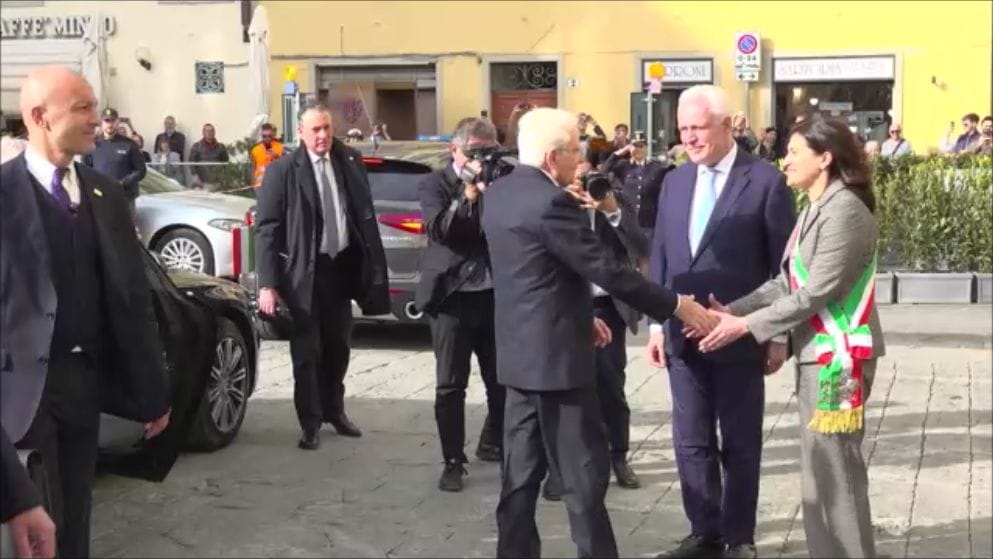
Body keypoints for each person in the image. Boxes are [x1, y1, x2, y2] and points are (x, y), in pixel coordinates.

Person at [481, 107, 717, 559]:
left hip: (518, 357)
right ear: (552, 157)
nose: (581, 159)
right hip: (559, 366)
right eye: (575, 150)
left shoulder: (500, 194)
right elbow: (607, 270)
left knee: (519, 478)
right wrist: (676, 305)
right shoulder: (551, 203)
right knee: (583, 480)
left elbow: (531, 272)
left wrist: (578, 315)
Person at [695, 115, 885, 559]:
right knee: (819, 470)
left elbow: (816, 291)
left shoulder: (845, 211)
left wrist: (745, 327)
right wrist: (733, 310)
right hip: (818, 356)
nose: (786, 160)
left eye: (796, 152)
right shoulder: (816, 208)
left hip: (840, 357)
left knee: (837, 471)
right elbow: (786, 282)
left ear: (825, 158)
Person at [1, 65, 172, 559]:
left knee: (75, 521)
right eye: (82, 108)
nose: (97, 119)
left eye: (95, 107)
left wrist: (152, 390)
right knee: (31, 531)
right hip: (19, 395)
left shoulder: (106, 194)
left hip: (84, 387)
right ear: (40, 117)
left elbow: (131, 298)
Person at [645, 85, 796, 559]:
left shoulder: (765, 181)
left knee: (740, 441)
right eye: (683, 129)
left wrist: (777, 335)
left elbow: (785, 268)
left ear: (727, 125)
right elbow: (661, 254)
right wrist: (656, 326)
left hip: (739, 335)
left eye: (698, 128)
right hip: (680, 335)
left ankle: (739, 537)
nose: (689, 138)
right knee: (691, 440)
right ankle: (704, 532)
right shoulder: (675, 181)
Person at [254, 102, 390, 450]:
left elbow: (361, 212)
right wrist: (267, 284)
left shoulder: (348, 161)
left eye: (327, 128)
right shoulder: (283, 171)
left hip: (339, 268)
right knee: (307, 352)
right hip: (302, 274)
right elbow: (267, 229)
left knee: (338, 346)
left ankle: (335, 410)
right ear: (300, 133)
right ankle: (310, 422)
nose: (323, 135)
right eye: (315, 129)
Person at [541, 158, 651, 502]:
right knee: (561, 388)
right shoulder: (551, 203)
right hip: (562, 306)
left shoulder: (613, 198)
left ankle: (618, 456)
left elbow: (640, 246)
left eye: (587, 174)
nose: (582, 183)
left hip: (606, 307)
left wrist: (611, 210)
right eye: (575, 176)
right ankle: (559, 469)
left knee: (610, 386)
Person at [415, 117, 506, 492]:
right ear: (455, 150)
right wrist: (466, 195)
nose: (480, 160)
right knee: (451, 385)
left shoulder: (500, 180)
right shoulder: (435, 183)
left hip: (494, 296)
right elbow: (440, 231)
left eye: (488, 152)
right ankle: (453, 460)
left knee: (502, 380)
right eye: (474, 153)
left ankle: (497, 443)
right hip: (452, 297)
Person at [602, 130, 671, 243]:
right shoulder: (623, 166)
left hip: (648, 224)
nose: (638, 149)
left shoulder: (656, 168)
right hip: (628, 224)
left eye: (641, 146)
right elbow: (605, 170)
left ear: (646, 148)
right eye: (635, 146)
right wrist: (621, 151)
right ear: (630, 147)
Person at [82, 107, 146, 216]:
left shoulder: (129, 144)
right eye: (107, 121)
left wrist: (122, 183)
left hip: (124, 198)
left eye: (112, 121)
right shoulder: (93, 144)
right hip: (100, 198)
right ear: (101, 123)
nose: (110, 124)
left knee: (125, 227)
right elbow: (86, 170)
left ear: (118, 122)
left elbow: (141, 170)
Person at [188, 123, 230, 189]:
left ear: (214, 132)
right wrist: (195, 177)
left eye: (212, 131)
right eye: (207, 131)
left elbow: (225, 162)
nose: (210, 133)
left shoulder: (221, 147)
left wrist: (224, 178)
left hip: (218, 183)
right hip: (202, 183)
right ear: (203, 133)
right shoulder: (196, 146)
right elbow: (191, 162)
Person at [250, 123, 284, 188]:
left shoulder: (280, 147)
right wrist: (252, 185)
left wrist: (277, 157)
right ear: (261, 136)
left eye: (269, 136)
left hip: (275, 185)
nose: (267, 138)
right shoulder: (255, 150)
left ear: (272, 135)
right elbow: (253, 169)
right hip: (260, 186)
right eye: (264, 136)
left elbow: (285, 166)